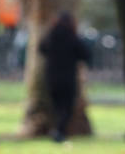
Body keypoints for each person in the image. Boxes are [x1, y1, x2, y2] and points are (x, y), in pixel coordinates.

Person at [37, 11, 90, 142]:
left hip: (51, 77)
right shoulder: (72, 37)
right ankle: (59, 131)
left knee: (57, 106)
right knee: (67, 107)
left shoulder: (51, 36)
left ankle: (57, 130)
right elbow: (85, 54)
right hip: (67, 77)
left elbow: (41, 48)